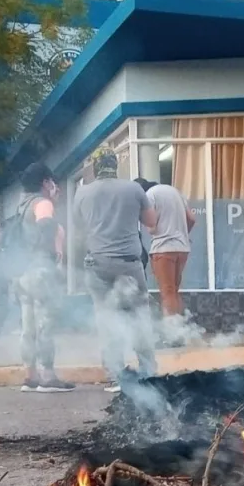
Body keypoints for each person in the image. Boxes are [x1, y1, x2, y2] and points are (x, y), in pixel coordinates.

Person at [74, 148, 158, 392]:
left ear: (96, 166)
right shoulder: (133, 189)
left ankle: (115, 375)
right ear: (115, 164)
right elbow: (151, 222)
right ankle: (148, 372)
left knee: (106, 318)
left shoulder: (83, 192)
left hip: (97, 263)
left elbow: (78, 232)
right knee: (139, 315)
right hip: (129, 263)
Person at [8, 163, 76, 392]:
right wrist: (49, 253)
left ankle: (31, 376)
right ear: (45, 182)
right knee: (45, 323)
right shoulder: (42, 203)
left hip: (24, 272)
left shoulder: (22, 204)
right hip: (40, 270)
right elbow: (46, 225)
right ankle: (47, 375)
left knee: (28, 326)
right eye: (52, 182)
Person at [136, 178, 196, 327]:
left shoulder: (149, 195)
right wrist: (182, 234)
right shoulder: (175, 192)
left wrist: (152, 229)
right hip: (182, 248)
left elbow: (151, 225)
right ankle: (182, 331)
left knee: (167, 292)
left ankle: (172, 334)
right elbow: (192, 219)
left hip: (163, 248)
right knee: (174, 291)